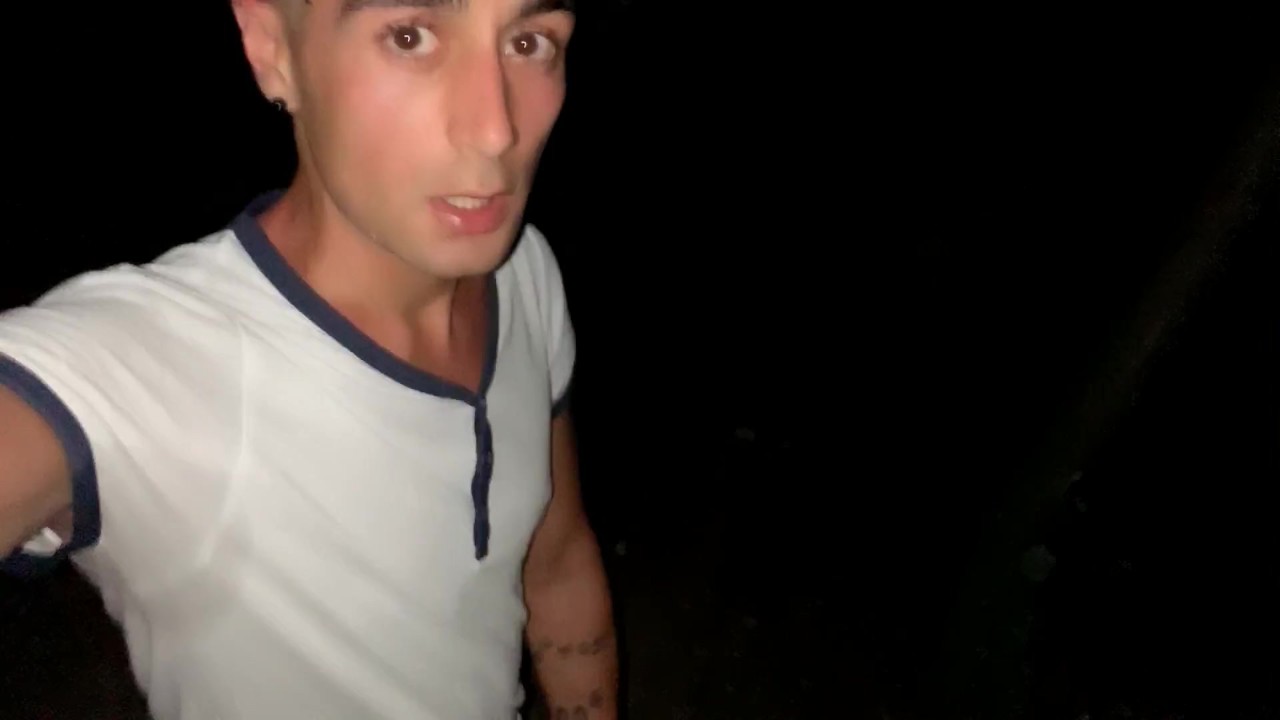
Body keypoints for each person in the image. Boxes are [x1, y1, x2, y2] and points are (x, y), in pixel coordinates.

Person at [0, 0, 617, 717]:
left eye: (530, 42)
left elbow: (557, 567)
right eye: (409, 36)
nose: (495, 129)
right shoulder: (148, 366)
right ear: (272, 48)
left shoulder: (522, 274)